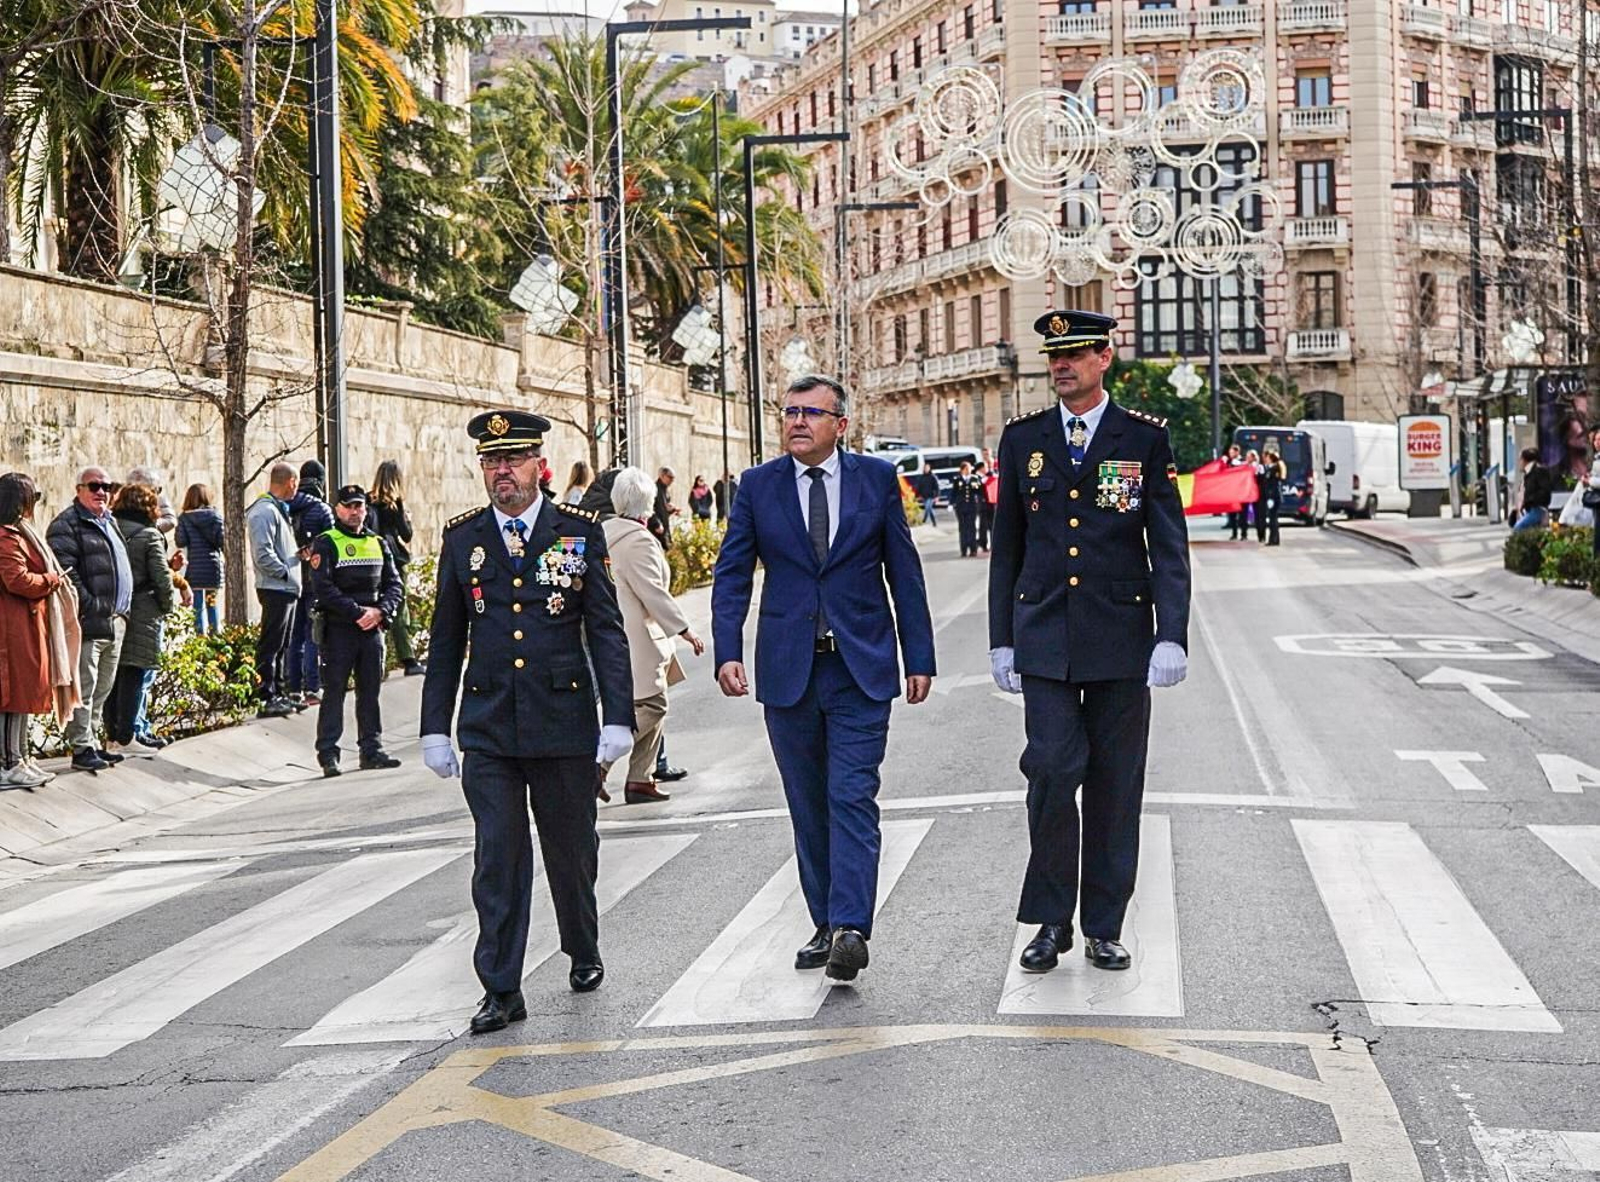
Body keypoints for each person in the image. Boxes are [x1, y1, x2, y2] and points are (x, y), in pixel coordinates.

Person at [712, 374, 936, 983]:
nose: (797, 422)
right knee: (808, 803)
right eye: (790, 412)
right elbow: (732, 574)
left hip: (859, 668)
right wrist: (727, 650)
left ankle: (851, 927)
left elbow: (904, 573)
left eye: (811, 413)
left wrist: (919, 657)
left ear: (841, 424)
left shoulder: (875, 480)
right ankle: (825, 922)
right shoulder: (758, 486)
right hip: (789, 672)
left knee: (851, 795)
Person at [988, 309, 1191, 975]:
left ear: (1105, 357)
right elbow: (1007, 547)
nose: (1061, 365)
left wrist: (1171, 635)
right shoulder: (1024, 439)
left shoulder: (1143, 438)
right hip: (1044, 634)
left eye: (1074, 354)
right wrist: (1001, 639)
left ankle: (1104, 924)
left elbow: (1168, 545)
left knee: (1114, 783)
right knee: (1051, 769)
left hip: (1120, 637)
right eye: (1054, 356)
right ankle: (1052, 921)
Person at [419, 408, 633, 1033]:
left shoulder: (578, 533)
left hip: (563, 722)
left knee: (572, 850)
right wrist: (434, 727)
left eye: (512, 460)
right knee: (497, 858)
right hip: (489, 727)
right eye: (491, 462)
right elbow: (446, 640)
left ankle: (582, 945)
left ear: (540, 465)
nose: (501, 472)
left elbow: (606, 630)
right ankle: (502, 988)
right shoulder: (463, 539)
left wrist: (617, 717)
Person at [600, 467, 705, 803]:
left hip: (619, 630)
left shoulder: (605, 532)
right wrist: (684, 629)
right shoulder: (639, 540)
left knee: (649, 702)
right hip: (640, 633)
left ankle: (640, 778)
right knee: (652, 705)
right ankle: (599, 763)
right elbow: (652, 591)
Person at [309, 485, 405, 777]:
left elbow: (394, 584)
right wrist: (356, 612)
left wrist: (380, 612)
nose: (354, 512)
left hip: (371, 629)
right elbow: (323, 587)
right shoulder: (327, 542)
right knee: (334, 692)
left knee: (370, 691)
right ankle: (328, 754)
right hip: (340, 629)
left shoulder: (377, 542)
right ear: (337, 509)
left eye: (359, 506)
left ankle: (371, 750)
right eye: (348, 506)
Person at [47, 465, 134, 772]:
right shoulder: (66, 524)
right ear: (79, 490)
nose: (102, 492)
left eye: (107, 487)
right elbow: (66, 572)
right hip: (89, 621)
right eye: (94, 486)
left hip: (116, 620)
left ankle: (93, 742)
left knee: (103, 687)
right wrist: (91, 605)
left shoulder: (109, 521)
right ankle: (82, 747)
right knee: (85, 685)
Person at [0, 472, 77, 788]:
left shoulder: (16, 533)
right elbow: (16, 580)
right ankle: (8, 763)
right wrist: (50, 580)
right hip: (12, 629)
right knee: (13, 697)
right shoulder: (6, 537)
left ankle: (19, 757)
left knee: (25, 695)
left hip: (25, 624)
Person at [105, 483, 177, 757]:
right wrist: (167, 606)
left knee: (113, 674)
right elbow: (162, 576)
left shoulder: (109, 528)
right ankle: (127, 736)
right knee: (134, 672)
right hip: (143, 609)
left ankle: (113, 736)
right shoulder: (150, 535)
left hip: (114, 607)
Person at [247, 462, 302, 718]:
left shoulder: (278, 510)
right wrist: (284, 572)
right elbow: (263, 554)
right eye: (296, 484)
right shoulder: (264, 511)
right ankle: (266, 696)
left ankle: (279, 692)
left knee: (282, 645)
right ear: (291, 482)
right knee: (271, 644)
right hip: (275, 587)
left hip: (286, 587)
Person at [369, 460, 425, 676]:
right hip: (394, 560)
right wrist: (406, 517)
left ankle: (378, 663)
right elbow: (406, 534)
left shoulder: (368, 501)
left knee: (377, 607)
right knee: (399, 609)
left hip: (373, 560)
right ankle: (408, 659)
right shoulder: (395, 504)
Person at [287, 461, 334, 706]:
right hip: (316, 580)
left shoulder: (285, 507)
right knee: (313, 634)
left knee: (294, 636)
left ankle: (293, 688)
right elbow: (332, 546)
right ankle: (313, 687)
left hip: (290, 578)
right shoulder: (322, 510)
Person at [176, 484, 224, 634]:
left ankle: (199, 639)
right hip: (213, 569)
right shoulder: (215, 516)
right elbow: (222, 541)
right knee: (212, 604)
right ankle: (215, 638)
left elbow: (180, 541)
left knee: (197, 606)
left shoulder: (184, 518)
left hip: (195, 568)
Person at [125, 466, 178, 538]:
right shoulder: (124, 498)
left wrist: (151, 525)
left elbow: (171, 521)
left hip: (150, 537)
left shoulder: (159, 498)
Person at [1514, 446, 1553, 532]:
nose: (1519, 463)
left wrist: (1530, 500)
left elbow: (1545, 491)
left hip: (1537, 508)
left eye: (1520, 460)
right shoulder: (1527, 473)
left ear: (1525, 460)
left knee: (1518, 528)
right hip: (1530, 509)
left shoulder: (1538, 471)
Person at [951, 461, 985, 556]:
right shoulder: (957, 480)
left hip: (972, 506)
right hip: (961, 506)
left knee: (971, 527)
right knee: (963, 528)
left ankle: (973, 549)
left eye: (969, 468)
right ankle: (964, 549)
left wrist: (981, 501)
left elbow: (979, 491)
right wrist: (951, 503)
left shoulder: (975, 479)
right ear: (962, 470)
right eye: (966, 469)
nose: (968, 470)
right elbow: (954, 492)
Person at [1255, 441, 1286, 546]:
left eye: (1267, 458)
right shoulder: (1270, 468)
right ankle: (1274, 539)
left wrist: (1270, 497)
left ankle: (1273, 539)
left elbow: (1271, 484)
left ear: (1271, 458)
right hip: (1272, 496)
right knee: (1273, 519)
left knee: (1273, 520)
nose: (1265, 459)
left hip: (1273, 496)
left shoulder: (1274, 469)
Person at [1223, 443, 1246, 540]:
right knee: (1232, 514)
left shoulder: (1243, 461)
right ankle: (1234, 533)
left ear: (1237, 452)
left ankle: (1244, 534)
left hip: (1241, 493)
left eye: (1232, 453)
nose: (1230, 454)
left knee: (1242, 514)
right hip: (1232, 492)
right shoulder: (1229, 462)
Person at [650, 466, 678, 549]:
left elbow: (663, 508)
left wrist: (672, 510)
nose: (672, 480)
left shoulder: (665, 490)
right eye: (670, 477)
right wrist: (656, 523)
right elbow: (649, 508)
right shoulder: (654, 489)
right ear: (662, 476)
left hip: (664, 526)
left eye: (673, 478)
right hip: (657, 528)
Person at [978, 460, 998, 552]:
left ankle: (993, 544)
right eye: (985, 467)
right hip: (983, 505)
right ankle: (983, 544)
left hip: (992, 504)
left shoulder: (993, 475)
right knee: (983, 526)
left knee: (993, 525)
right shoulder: (978, 477)